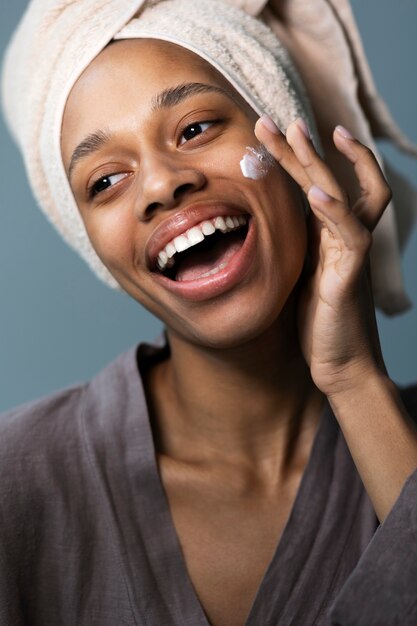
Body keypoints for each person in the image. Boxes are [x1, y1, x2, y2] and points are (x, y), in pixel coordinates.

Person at [1, 1, 417, 625]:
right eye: (105, 180)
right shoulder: (15, 481)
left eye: (195, 128)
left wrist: (355, 379)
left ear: (291, 137)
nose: (163, 185)